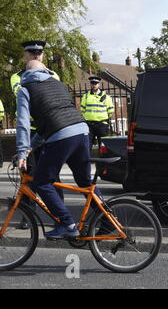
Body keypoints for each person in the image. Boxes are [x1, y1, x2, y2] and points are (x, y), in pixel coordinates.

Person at [16, 60, 104, 239]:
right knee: (84, 181)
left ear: (26, 74)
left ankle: (67, 224)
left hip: (62, 136)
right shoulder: (58, 85)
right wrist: (29, 148)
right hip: (82, 131)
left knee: (42, 181)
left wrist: (21, 151)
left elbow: (23, 124)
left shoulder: (25, 90)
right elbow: (47, 123)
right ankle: (110, 221)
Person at [10, 41, 62, 229]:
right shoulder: (17, 77)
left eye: (38, 53)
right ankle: (27, 218)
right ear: (25, 56)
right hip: (30, 131)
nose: (36, 56)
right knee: (28, 175)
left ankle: (59, 217)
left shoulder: (54, 75)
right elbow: (26, 97)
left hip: (47, 131)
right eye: (32, 53)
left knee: (53, 174)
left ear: (42, 55)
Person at [80, 76, 114, 151]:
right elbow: (82, 110)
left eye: (95, 83)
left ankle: (103, 162)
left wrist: (102, 119)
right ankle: (87, 162)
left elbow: (110, 111)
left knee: (103, 147)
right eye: (92, 83)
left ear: (99, 84)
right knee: (86, 147)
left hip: (102, 124)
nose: (94, 85)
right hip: (89, 125)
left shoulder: (106, 96)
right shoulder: (85, 96)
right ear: (90, 84)